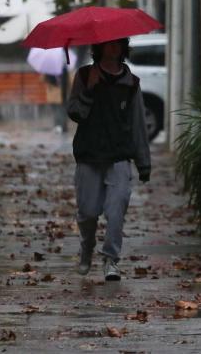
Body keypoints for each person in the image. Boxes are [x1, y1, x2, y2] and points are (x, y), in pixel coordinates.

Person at [66, 38, 151, 281]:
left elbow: (138, 125)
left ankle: (111, 259)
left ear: (123, 48)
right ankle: (87, 247)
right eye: (108, 44)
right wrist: (90, 90)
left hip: (119, 155)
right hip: (89, 155)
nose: (113, 48)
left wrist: (143, 162)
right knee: (88, 212)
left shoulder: (131, 83)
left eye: (118, 44)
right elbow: (75, 113)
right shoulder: (84, 76)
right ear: (99, 47)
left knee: (116, 210)